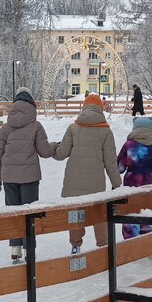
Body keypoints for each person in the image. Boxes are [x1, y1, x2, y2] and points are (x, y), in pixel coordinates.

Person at [0, 87, 57, 261]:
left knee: (14, 212)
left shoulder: (6, 127)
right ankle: (29, 249)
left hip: (9, 177)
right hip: (29, 177)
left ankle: (15, 248)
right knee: (30, 213)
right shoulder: (36, 126)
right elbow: (44, 151)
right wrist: (55, 146)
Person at [53, 93, 121, 253]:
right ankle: (103, 247)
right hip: (96, 184)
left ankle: (75, 245)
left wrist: (51, 149)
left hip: (73, 183)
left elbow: (61, 153)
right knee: (99, 213)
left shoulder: (73, 127)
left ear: (84, 107)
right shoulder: (106, 132)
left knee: (76, 213)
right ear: (100, 109)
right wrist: (117, 184)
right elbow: (111, 163)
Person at [118, 116, 152, 240]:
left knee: (130, 213)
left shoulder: (129, 144)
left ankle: (131, 243)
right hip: (151, 183)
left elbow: (120, 168)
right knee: (150, 211)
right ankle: (149, 241)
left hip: (131, 184)